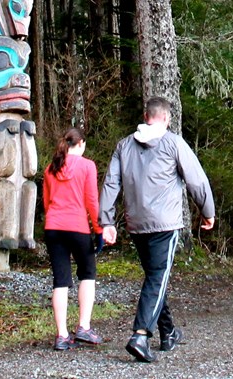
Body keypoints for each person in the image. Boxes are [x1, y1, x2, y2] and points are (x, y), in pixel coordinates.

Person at [100, 97, 216, 362]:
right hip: (165, 224)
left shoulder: (124, 146)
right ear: (167, 118)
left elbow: (110, 184)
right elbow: (196, 179)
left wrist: (106, 221)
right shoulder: (173, 142)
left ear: (146, 115)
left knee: (155, 277)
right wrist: (207, 211)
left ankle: (169, 332)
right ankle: (140, 335)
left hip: (137, 224)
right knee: (157, 278)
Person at [42, 128, 105, 350]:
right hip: (77, 227)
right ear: (81, 144)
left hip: (54, 227)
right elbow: (91, 201)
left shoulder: (51, 168)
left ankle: (61, 336)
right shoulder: (87, 166)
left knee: (60, 280)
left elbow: (47, 201)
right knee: (87, 273)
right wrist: (99, 229)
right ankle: (83, 327)